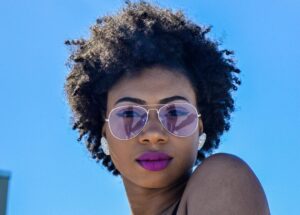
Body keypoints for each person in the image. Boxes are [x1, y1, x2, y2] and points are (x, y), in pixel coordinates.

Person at [64, 1, 270, 214]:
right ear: (104, 133)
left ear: (199, 130)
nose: (153, 134)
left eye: (175, 112)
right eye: (128, 114)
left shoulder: (224, 180)